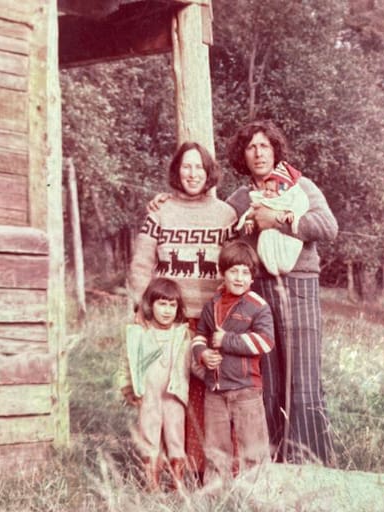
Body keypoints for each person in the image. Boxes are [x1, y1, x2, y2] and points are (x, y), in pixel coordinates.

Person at [225, 120, 338, 465]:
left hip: (299, 284)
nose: (258, 153)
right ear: (242, 156)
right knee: (269, 379)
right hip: (259, 292)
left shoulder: (300, 186)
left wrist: (277, 221)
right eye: (251, 147)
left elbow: (328, 226)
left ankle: (311, 463)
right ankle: (273, 462)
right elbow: (227, 239)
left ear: (275, 150)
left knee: (302, 378)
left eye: (264, 146)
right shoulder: (239, 198)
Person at [128, 141, 238, 480]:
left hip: (208, 319)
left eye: (199, 168)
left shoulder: (225, 214)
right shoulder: (160, 212)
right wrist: (139, 307)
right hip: (168, 320)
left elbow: (235, 265)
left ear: (209, 173)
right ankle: (161, 464)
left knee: (206, 393)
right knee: (166, 392)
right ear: (177, 171)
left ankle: (204, 467)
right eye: (186, 167)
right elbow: (142, 263)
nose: (192, 174)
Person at [191, 240, 274, 484]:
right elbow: (199, 337)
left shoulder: (258, 307)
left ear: (252, 278)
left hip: (246, 390)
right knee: (216, 452)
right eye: (233, 271)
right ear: (222, 273)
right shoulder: (212, 305)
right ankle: (216, 498)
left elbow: (265, 342)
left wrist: (227, 340)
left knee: (253, 451)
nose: (239, 278)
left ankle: (256, 497)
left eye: (245, 272)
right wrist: (203, 354)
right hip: (215, 391)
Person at [117, 277, 191, 491]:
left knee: (176, 436)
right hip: (148, 395)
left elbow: (193, 362)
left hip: (174, 395)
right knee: (149, 436)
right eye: (161, 304)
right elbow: (126, 362)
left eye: (172, 305)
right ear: (150, 304)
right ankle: (152, 483)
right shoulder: (139, 333)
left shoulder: (183, 333)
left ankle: (177, 483)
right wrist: (127, 387)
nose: (167, 311)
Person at [235, 161, 310, 276]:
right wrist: (249, 220)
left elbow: (301, 205)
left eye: (272, 191)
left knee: (290, 249)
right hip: (268, 234)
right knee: (264, 245)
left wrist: (292, 213)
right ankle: (272, 268)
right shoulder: (256, 197)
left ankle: (284, 266)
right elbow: (252, 211)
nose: (268, 193)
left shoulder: (293, 196)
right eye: (267, 189)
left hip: (287, 237)